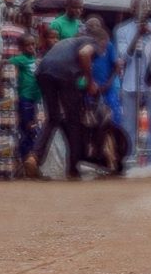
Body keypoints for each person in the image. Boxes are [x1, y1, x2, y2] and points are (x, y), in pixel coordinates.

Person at [31, 28, 109, 179]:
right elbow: (84, 54)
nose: (102, 51)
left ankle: (34, 156)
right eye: (104, 46)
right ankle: (73, 168)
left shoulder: (68, 41)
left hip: (43, 71)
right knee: (74, 121)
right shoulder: (91, 42)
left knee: (53, 118)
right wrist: (90, 82)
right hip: (65, 73)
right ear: (102, 41)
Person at [115, 0, 151, 166]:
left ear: (149, 8)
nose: (141, 10)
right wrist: (137, 36)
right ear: (132, 9)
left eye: (144, 7)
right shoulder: (122, 30)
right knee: (129, 124)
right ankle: (130, 158)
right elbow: (124, 57)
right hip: (130, 82)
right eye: (137, 7)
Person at [0, 33, 41, 171]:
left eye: (33, 44)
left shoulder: (34, 59)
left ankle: (29, 160)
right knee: (27, 129)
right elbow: (0, 63)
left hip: (35, 100)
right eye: (28, 45)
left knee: (33, 129)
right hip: (25, 98)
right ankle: (24, 159)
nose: (31, 47)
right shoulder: (20, 59)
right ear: (21, 47)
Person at [84, 17, 121, 127]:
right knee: (93, 118)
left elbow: (116, 67)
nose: (94, 29)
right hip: (90, 89)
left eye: (97, 27)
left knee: (114, 117)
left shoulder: (108, 45)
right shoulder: (85, 47)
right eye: (91, 27)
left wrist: (108, 83)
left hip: (107, 87)